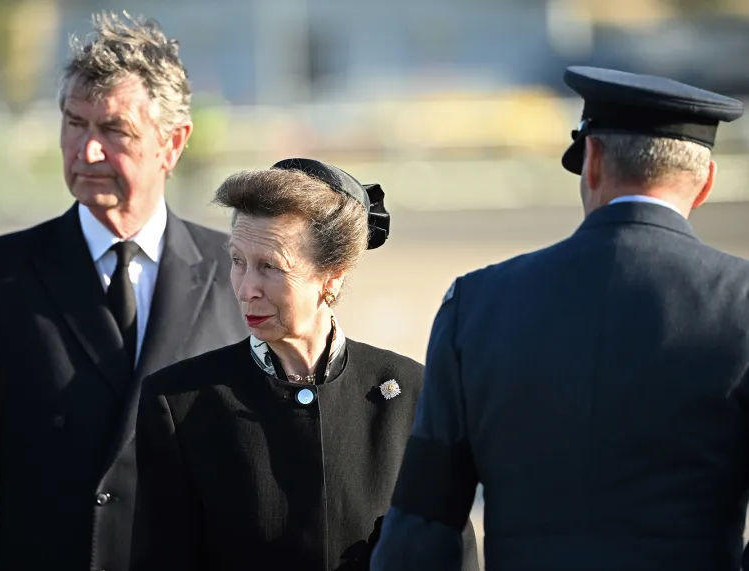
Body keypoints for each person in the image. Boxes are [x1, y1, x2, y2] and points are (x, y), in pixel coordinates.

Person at [372, 65, 749, 571]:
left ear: (591, 161)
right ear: (705, 183)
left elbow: (424, 523)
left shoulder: (478, 303)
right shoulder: (740, 302)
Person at [0, 12, 247, 571]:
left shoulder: (237, 272)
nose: (86, 150)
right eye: (74, 123)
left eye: (114, 130)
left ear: (173, 142)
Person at [128, 158, 480, 571]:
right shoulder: (180, 401)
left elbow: (451, 554)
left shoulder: (412, 391)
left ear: (331, 276)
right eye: (237, 260)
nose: (245, 289)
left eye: (270, 267)